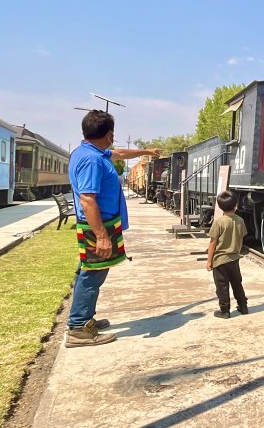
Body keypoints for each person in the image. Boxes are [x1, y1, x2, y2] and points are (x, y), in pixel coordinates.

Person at [65, 110, 161, 348]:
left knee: (88, 272)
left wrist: (146, 151)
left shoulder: (90, 152)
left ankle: (84, 319)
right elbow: (88, 199)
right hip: (99, 226)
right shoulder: (92, 160)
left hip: (103, 224)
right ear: (109, 134)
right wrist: (102, 236)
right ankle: (78, 328)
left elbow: (118, 154)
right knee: (92, 274)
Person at [206, 190, 249, 318]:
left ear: (219, 207)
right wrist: (237, 251)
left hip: (220, 261)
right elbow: (241, 239)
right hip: (234, 259)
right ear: (236, 206)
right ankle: (243, 306)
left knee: (222, 287)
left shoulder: (219, 222)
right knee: (237, 284)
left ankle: (225, 311)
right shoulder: (240, 220)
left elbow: (213, 243)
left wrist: (209, 261)